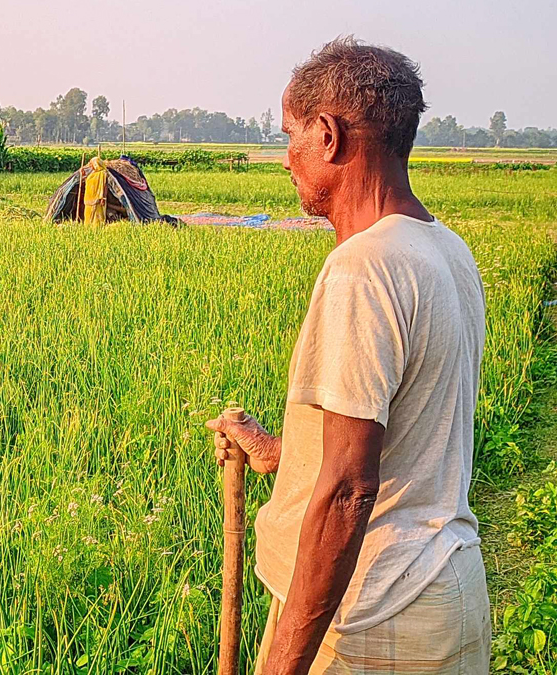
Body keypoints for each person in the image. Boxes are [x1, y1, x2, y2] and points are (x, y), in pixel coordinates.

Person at [206, 37, 489, 674]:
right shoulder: (445, 251)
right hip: (442, 594)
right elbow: (397, 448)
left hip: (371, 615)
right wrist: (274, 451)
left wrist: (283, 667)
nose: (287, 159)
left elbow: (350, 493)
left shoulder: (363, 267)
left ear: (328, 136)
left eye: (291, 135)